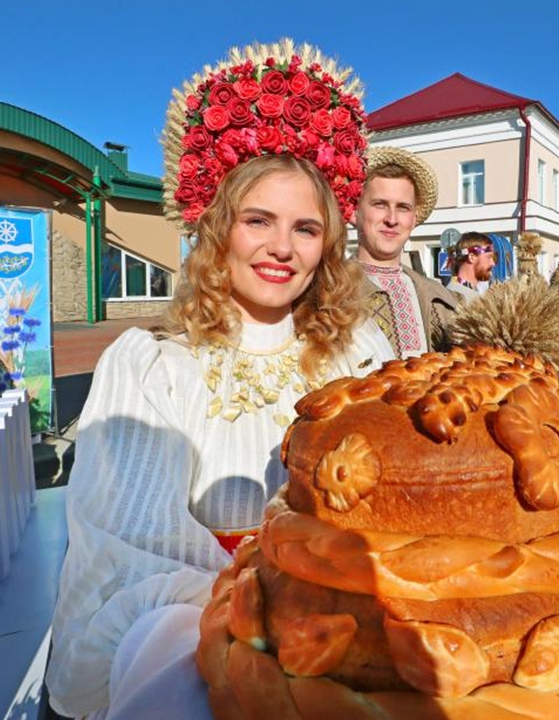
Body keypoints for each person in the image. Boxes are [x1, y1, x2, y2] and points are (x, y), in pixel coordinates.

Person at [46, 42, 396, 719]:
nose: (282, 248)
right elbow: (129, 544)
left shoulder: (361, 352)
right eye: (257, 220)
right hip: (193, 638)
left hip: (346, 638)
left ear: (328, 245)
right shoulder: (151, 362)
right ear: (215, 228)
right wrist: (266, 610)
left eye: (305, 228)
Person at [354, 146, 460, 358]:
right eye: (380, 204)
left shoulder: (441, 299)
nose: (392, 219)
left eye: (403, 207)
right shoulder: (328, 293)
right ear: (354, 212)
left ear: (413, 219)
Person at [447, 231, 496, 299]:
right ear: (472, 257)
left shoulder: (470, 292)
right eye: (489, 257)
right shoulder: (455, 296)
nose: (493, 263)